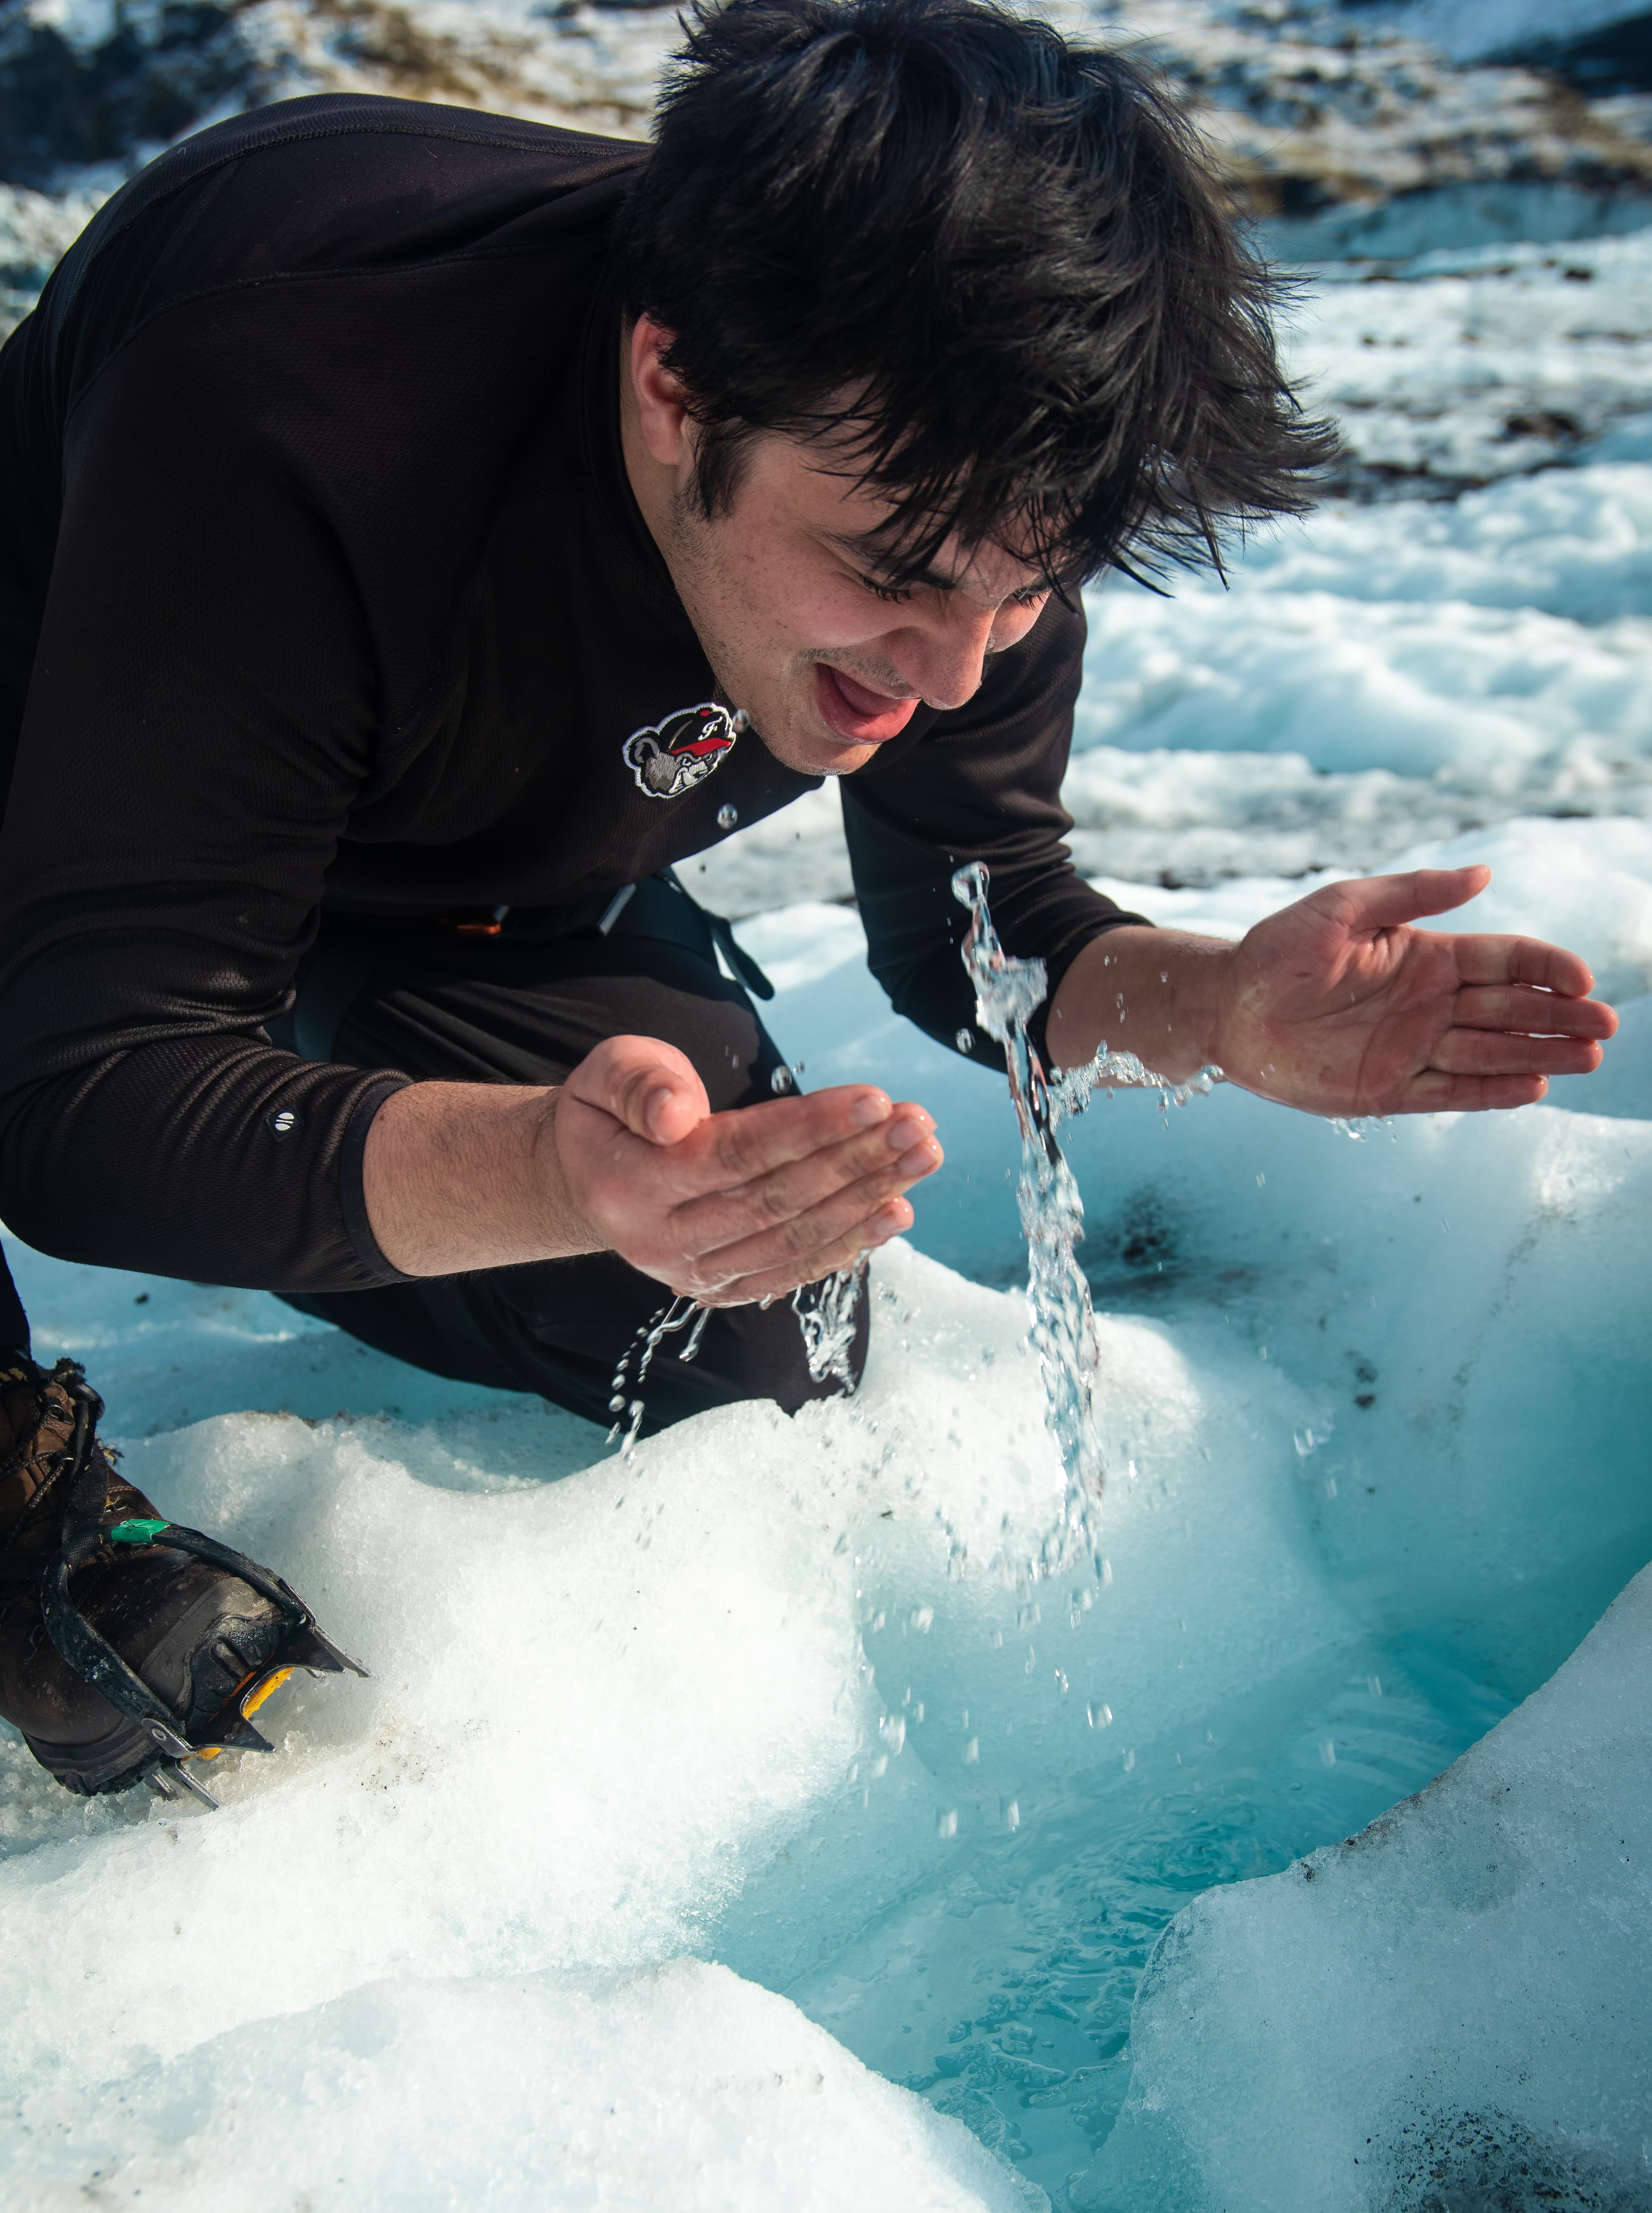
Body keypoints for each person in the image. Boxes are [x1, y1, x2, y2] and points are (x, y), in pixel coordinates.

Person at [0, 0, 1615, 1803]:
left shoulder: (976, 480)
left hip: (464, 880)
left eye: (1022, 596)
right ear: (673, 382)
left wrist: (1221, 1006)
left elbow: (979, 921)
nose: (950, 673)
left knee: (745, 1312)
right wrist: (533, 1171)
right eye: (889, 577)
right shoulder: (288, 394)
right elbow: (80, 1087)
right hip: (76, 816)